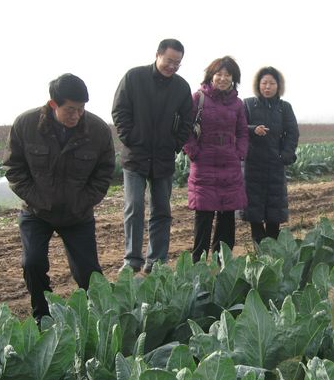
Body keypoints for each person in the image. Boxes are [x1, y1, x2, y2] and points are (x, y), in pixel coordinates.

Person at [3, 73, 115, 324]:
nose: (76, 115)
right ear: (53, 104)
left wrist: (83, 201)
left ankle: (97, 320)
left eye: (81, 109)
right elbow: (14, 168)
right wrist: (38, 199)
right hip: (37, 212)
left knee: (89, 273)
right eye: (70, 110)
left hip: (77, 213)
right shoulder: (26, 125)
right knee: (32, 263)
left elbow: (104, 172)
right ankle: (43, 316)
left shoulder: (97, 130)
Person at [112, 39, 193, 273]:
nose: (172, 66)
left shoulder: (181, 87)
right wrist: (130, 137)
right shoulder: (134, 77)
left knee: (161, 211)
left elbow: (187, 120)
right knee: (134, 207)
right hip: (135, 156)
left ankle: (157, 261)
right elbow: (119, 110)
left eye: (177, 63)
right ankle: (132, 260)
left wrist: (174, 144)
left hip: (163, 158)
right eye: (169, 61)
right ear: (157, 55)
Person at [183, 56, 248, 262]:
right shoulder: (198, 98)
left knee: (227, 217)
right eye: (219, 74)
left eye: (228, 75)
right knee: (204, 215)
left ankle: (223, 263)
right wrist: (194, 152)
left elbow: (242, 132)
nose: (223, 78)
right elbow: (186, 129)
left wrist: (239, 152)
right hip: (204, 164)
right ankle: (198, 265)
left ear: (234, 79)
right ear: (211, 76)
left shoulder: (237, 104)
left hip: (230, 164)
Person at [242, 67, 299, 244]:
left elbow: (292, 133)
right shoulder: (248, 104)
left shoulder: (284, 107)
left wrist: (285, 155)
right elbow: (238, 127)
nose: (267, 87)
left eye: (272, 83)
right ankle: (260, 251)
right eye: (264, 83)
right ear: (258, 85)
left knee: (275, 211)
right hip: (253, 165)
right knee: (254, 212)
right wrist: (253, 129)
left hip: (275, 165)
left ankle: (273, 250)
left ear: (278, 86)